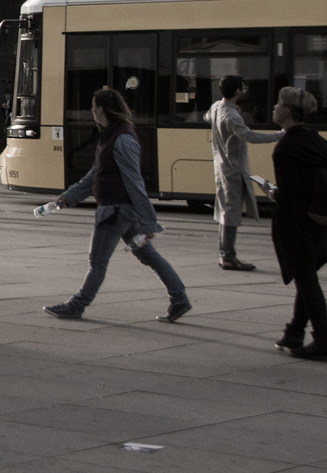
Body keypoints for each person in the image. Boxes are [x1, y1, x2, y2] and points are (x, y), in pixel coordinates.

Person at [42, 87, 191, 323]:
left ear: (100, 109)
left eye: (92, 106)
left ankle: (77, 305)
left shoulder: (121, 138)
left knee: (98, 262)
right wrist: (68, 197)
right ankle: (179, 298)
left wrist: (149, 221)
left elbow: (135, 182)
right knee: (149, 256)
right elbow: (95, 174)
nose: (91, 111)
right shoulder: (109, 135)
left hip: (116, 211)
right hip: (119, 209)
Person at [268, 85, 327, 359]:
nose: (274, 108)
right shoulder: (316, 140)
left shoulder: (286, 147)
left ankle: (324, 339)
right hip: (320, 222)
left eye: (278, 104)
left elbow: (290, 194)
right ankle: (294, 333)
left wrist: (272, 192)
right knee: (307, 279)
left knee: (306, 281)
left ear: (287, 112)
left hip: (297, 226)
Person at [205, 75, 282, 271]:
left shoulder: (216, 107)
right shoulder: (231, 116)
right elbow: (250, 136)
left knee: (226, 211)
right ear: (238, 91)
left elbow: (208, 117)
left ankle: (226, 254)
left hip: (222, 167)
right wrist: (281, 134)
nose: (246, 90)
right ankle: (228, 256)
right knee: (231, 212)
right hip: (233, 169)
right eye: (243, 87)